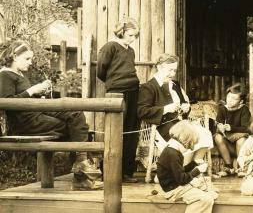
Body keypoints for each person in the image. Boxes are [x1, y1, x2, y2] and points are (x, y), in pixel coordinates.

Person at [0, 41, 102, 190]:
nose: (30, 63)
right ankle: (82, 175)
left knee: (76, 116)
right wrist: (32, 91)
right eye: (27, 59)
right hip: (25, 123)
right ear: (14, 57)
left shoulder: (18, 74)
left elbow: (23, 99)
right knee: (77, 126)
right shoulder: (5, 75)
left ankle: (82, 171)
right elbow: (6, 103)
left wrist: (38, 95)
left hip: (35, 114)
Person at [138, 53, 213, 165]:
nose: (173, 74)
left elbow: (184, 109)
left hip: (181, 124)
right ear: (159, 67)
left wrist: (186, 108)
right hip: (163, 127)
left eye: (174, 70)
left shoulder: (175, 85)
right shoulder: (148, 87)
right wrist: (166, 109)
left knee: (205, 133)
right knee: (189, 136)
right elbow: (142, 111)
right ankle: (181, 172)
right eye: (169, 70)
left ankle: (191, 167)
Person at [97, 18, 140, 183]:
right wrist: (115, 83)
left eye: (135, 36)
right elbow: (101, 71)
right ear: (121, 32)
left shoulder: (131, 50)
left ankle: (126, 172)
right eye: (130, 35)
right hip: (117, 93)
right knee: (116, 131)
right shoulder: (110, 47)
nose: (132, 39)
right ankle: (109, 172)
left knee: (131, 131)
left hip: (133, 91)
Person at [157, 120, 218, 213]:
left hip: (177, 187)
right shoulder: (172, 154)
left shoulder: (172, 151)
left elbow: (179, 172)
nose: (188, 149)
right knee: (206, 199)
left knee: (211, 194)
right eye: (188, 146)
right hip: (174, 190)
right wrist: (197, 170)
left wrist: (194, 163)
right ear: (183, 140)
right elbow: (182, 179)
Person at [214, 83, 251, 177]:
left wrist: (231, 128)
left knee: (241, 139)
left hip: (241, 144)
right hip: (227, 145)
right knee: (217, 137)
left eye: (234, 99)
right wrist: (220, 126)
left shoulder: (244, 109)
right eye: (228, 97)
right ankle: (229, 167)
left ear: (241, 101)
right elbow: (218, 123)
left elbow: (246, 128)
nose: (229, 101)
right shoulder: (222, 109)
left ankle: (240, 168)